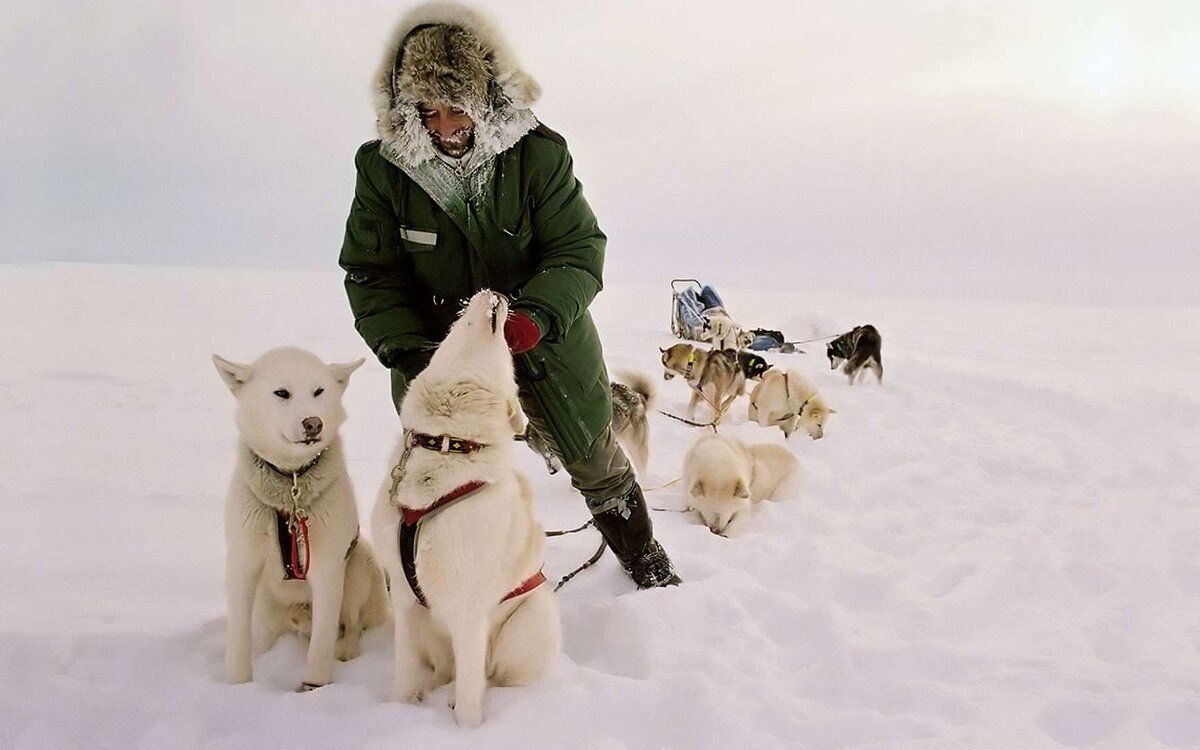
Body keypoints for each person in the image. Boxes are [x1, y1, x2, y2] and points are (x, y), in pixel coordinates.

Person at [338, 2, 680, 589]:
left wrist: (535, 317)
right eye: (429, 110)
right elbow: (373, 274)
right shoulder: (383, 170)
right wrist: (414, 355)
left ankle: (645, 558)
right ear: (408, 108)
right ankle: (436, 582)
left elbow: (576, 249)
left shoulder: (538, 155)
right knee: (440, 471)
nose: (445, 126)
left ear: (486, 100)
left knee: (591, 456)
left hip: (543, 342)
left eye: (458, 108)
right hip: (437, 358)